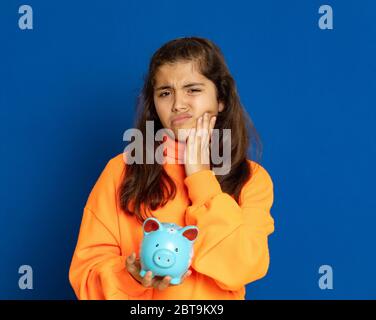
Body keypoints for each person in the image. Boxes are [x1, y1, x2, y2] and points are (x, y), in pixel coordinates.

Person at [69, 36, 275, 299]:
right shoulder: (121, 171)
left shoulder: (251, 179)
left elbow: (243, 267)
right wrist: (129, 277)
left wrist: (200, 175)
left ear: (221, 99)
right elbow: (86, 278)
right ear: (154, 104)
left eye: (193, 89)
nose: (178, 104)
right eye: (165, 93)